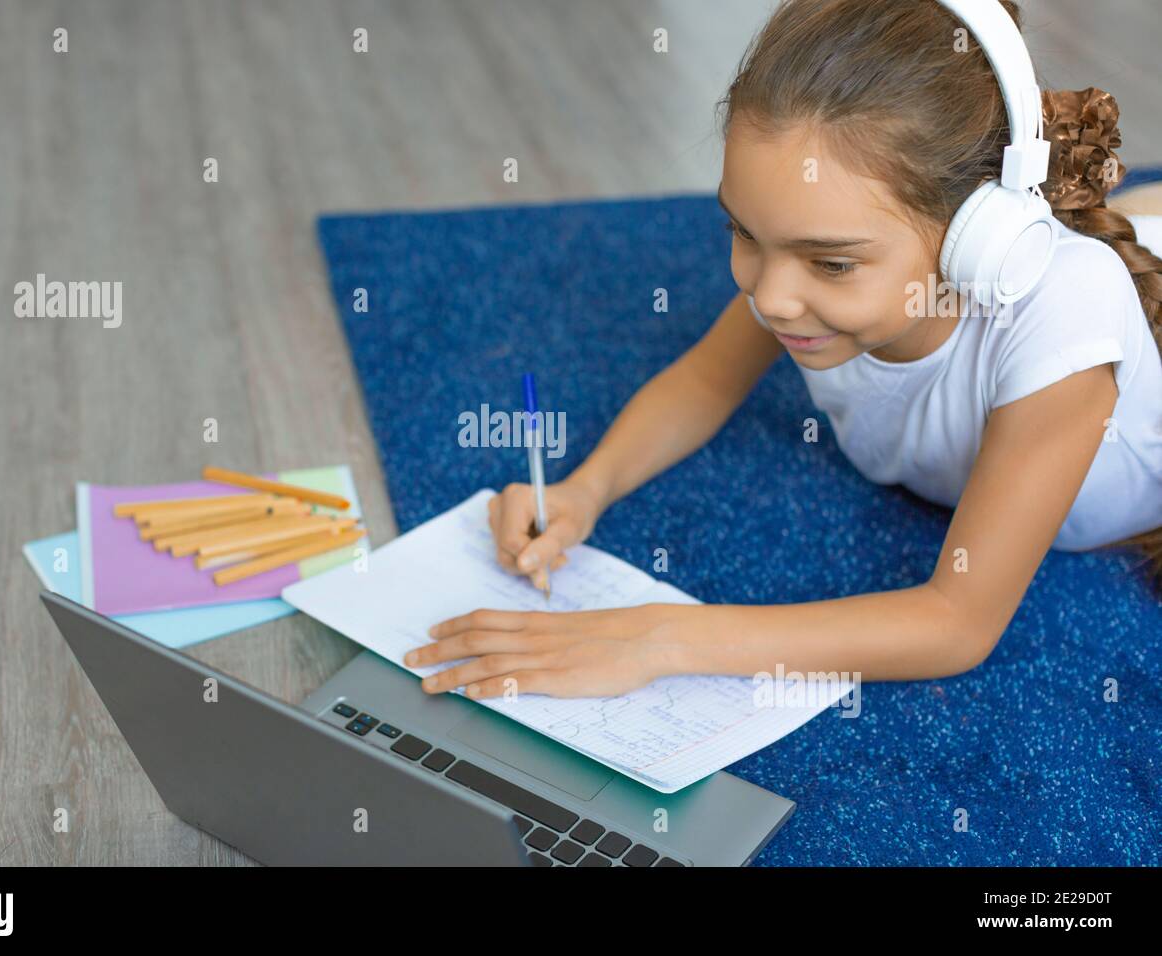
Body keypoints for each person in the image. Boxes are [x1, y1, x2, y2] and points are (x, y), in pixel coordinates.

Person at [405, 0, 1162, 699]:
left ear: (984, 241)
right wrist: (585, 489)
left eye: (829, 262)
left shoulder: (1065, 312)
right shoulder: (797, 284)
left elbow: (955, 623)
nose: (768, 298)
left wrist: (658, 638)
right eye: (743, 232)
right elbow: (705, 382)